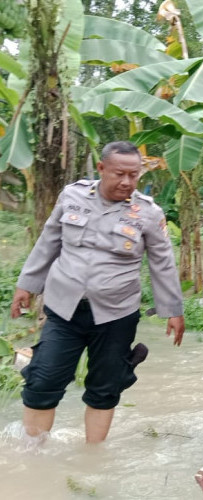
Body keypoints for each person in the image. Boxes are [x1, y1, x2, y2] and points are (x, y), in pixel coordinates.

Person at [10, 141, 185, 444]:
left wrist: (173, 310)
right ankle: (33, 455)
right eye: (120, 174)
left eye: (134, 175)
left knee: (105, 388)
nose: (127, 182)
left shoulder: (148, 212)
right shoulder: (72, 196)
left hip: (116, 315)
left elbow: (163, 264)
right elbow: (49, 241)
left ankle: (91, 458)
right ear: (102, 169)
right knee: (42, 381)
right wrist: (26, 285)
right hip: (64, 310)